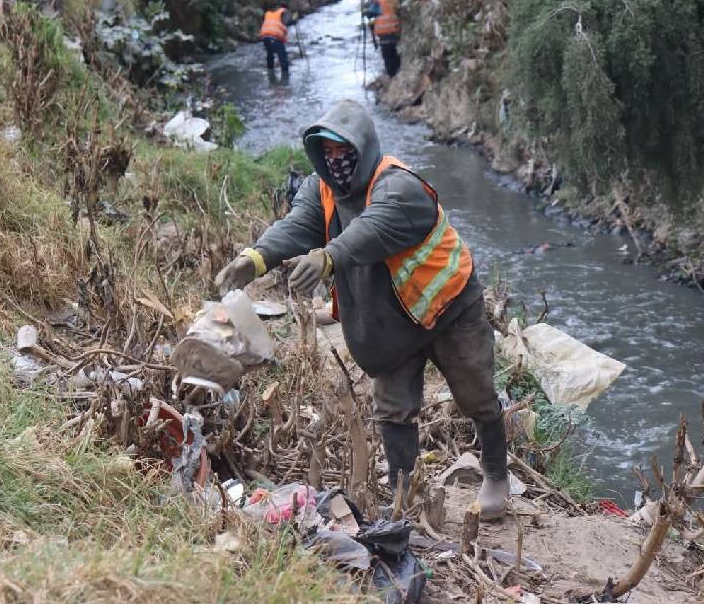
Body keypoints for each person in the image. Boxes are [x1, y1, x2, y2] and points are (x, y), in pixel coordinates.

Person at [215, 100, 510, 520]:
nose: (336, 163)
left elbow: (370, 231)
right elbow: (299, 224)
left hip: (446, 309)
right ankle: (403, 495)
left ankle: (497, 475)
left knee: (475, 396)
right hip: (391, 321)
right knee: (392, 408)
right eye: (327, 154)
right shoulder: (321, 190)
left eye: (344, 153)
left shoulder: (399, 187)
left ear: (364, 148)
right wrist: (257, 257)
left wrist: (327, 257)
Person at [363, 0, 401, 77]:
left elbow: (369, 14)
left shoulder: (378, 2)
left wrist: (364, 10)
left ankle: (392, 76)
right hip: (395, 32)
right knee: (394, 53)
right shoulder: (393, 0)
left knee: (387, 57)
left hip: (384, 34)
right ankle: (398, 71)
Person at [259, 1, 291, 77]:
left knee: (270, 55)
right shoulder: (284, 12)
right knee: (282, 57)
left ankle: (270, 73)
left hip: (265, 37)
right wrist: (294, 21)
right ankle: (285, 77)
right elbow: (287, 22)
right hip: (276, 37)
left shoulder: (268, 13)